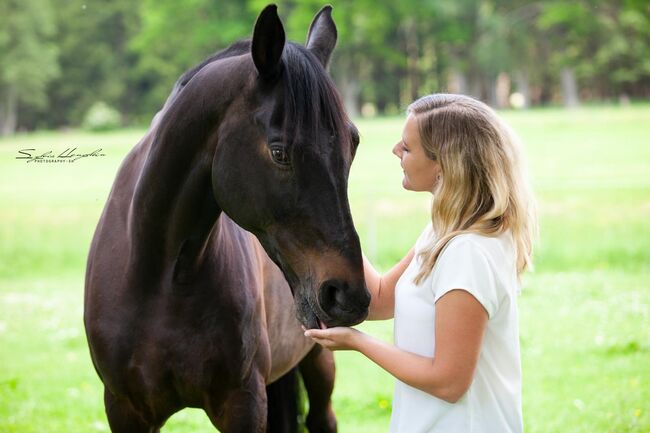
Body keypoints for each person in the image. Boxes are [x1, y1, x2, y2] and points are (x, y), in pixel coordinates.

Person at [305, 93, 537, 433]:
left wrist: (359, 342)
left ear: (443, 164)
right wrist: (327, 212)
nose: (396, 151)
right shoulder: (444, 232)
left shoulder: (468, 252)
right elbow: (382, 298)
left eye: (408, 147)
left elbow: (449, 382)